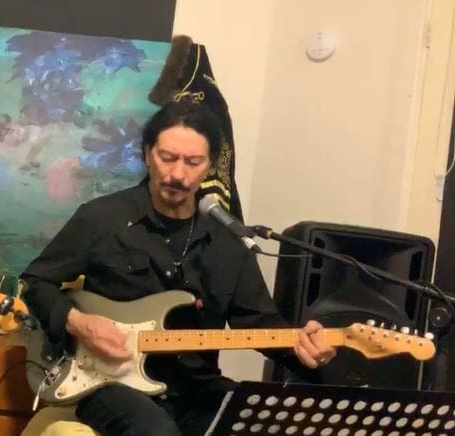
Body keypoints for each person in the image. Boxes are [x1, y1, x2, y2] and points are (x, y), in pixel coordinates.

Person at [21, 100, 336, 436]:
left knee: (262, 421)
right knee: (157, 432)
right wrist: (80, 323)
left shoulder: (229, 241)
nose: (177, 175)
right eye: (167, 157)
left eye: (193, 162)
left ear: (210, 165)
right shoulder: (101, 218)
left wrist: (303, 348)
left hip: (195, 387)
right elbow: (35, 282)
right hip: (109, 383)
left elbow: (259, 321)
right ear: (147, 154)